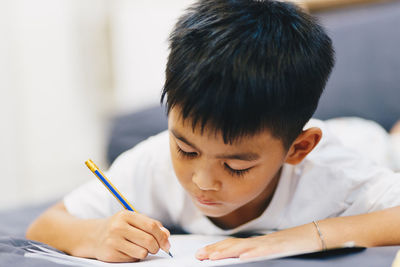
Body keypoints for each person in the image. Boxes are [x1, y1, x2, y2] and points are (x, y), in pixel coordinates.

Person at [26, 0, 400, 263]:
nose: (202, 182)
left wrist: (311, 234)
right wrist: (94, 236)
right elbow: (47, 225)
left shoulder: (336, 176)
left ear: (297, 149)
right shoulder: (152, 162)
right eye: (186, 151)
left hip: (364, 143)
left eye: (236, 167)